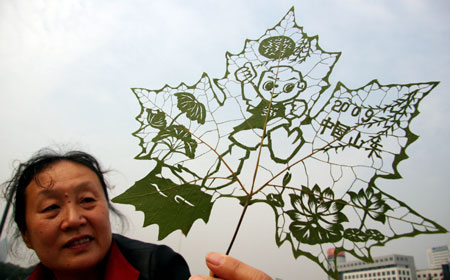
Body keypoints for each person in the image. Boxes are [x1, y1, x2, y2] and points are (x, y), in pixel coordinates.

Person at [3, 148, 272, 280]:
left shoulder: (157, 267)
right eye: (51, 207)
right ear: (26, 235)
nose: (74, 219)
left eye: (87, 200)